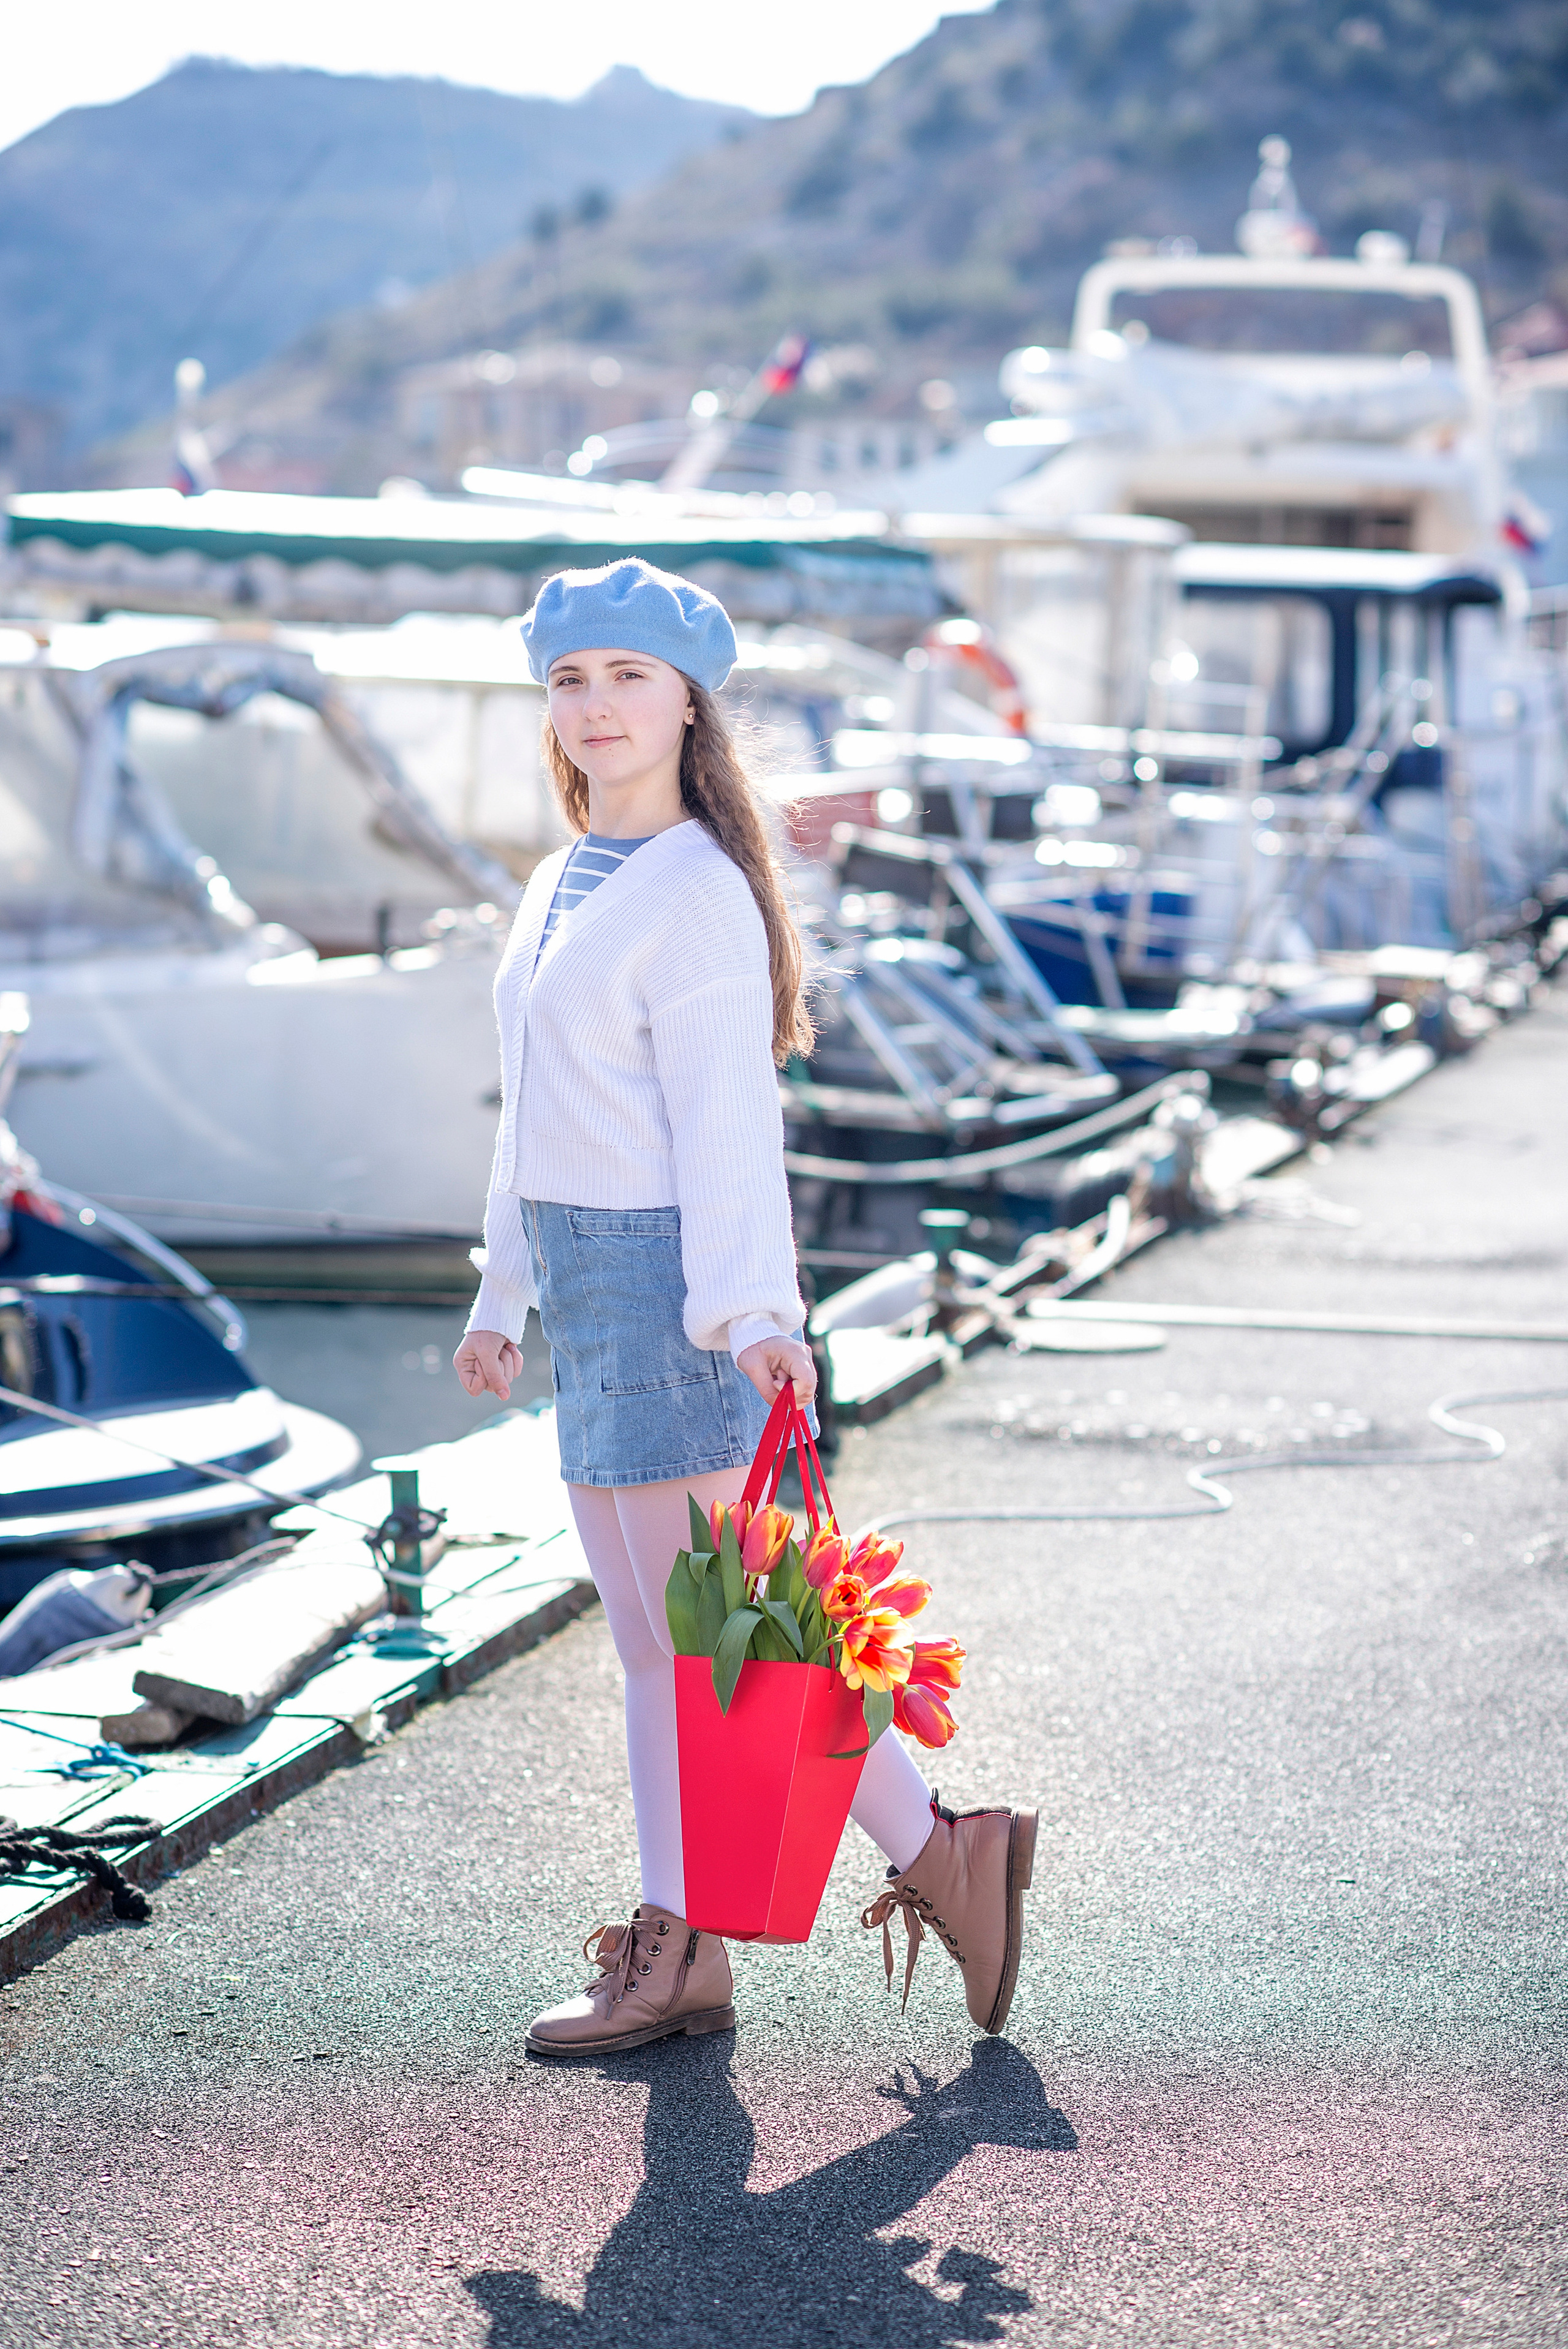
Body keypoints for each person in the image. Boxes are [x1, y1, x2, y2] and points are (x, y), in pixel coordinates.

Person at [455, 557, 1036, 2056]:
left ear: (687, 705)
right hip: (588, 1298)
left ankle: (808, 1897)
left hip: (672, 1297)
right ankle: (754, 1918)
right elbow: (534, 1113)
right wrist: (502, 1291)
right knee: (666, 1650)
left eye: (626, 677)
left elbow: (726, 1130)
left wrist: (758, 1313)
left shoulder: (698, 890)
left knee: (732, 1653)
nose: (595, 705)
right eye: (570, 678)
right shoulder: (560, 877)